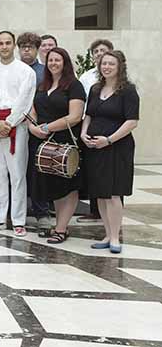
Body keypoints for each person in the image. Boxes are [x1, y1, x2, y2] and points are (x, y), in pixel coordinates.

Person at [0, 31, 37, 236]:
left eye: (8, 43)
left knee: (17, 174)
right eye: (0, 43)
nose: (4, 46)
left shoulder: (25, 71)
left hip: (16, 125)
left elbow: (25, 100)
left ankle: (19, 220)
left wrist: (9, 123)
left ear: (14, 46)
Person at [82, 50, 139, 254]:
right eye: (104, 64)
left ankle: (115, 237)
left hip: (118, 148)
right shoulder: (96, 89)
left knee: (114, 193)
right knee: (101, 194)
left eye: (111, 64)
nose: (106, 67)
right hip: (95, 148)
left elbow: (132, 121)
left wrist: (109, 140)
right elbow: (88, 115)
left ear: (119, 67)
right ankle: (107, 234)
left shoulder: (128, 91)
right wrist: (83, 134)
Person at [27, 48, 86, 243]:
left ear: (65, 62)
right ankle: (59, 225)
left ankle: (61, 228)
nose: (53, 63)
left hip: (64, 140)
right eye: (50, 60)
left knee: (68, 186)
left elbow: (75, 116)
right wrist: (32, 126)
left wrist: (47, 127)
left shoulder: (74, 85)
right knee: (53, 186)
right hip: (42, 140)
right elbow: (32, 109)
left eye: (57, 60)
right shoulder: (43, 84)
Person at [77, 38, 114, 222]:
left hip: (112, 131)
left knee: (112, 173)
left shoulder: (120, 79)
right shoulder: (86, 77)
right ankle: (95, 210)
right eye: (96, 52)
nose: (99, 54)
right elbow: (84, 102)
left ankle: (113, 212)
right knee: (93, 169)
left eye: (103, 51)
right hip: (89, 124)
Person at [17, 31, 48, 226]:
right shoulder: (13, 69)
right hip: (13, 126)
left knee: (37, 171)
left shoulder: (44, 72)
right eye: (23, 47)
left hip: (37, 127)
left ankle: (41, 211)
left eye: (30, 47)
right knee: (16, 170)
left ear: (37, 50)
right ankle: (14, 211)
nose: (26, 50)